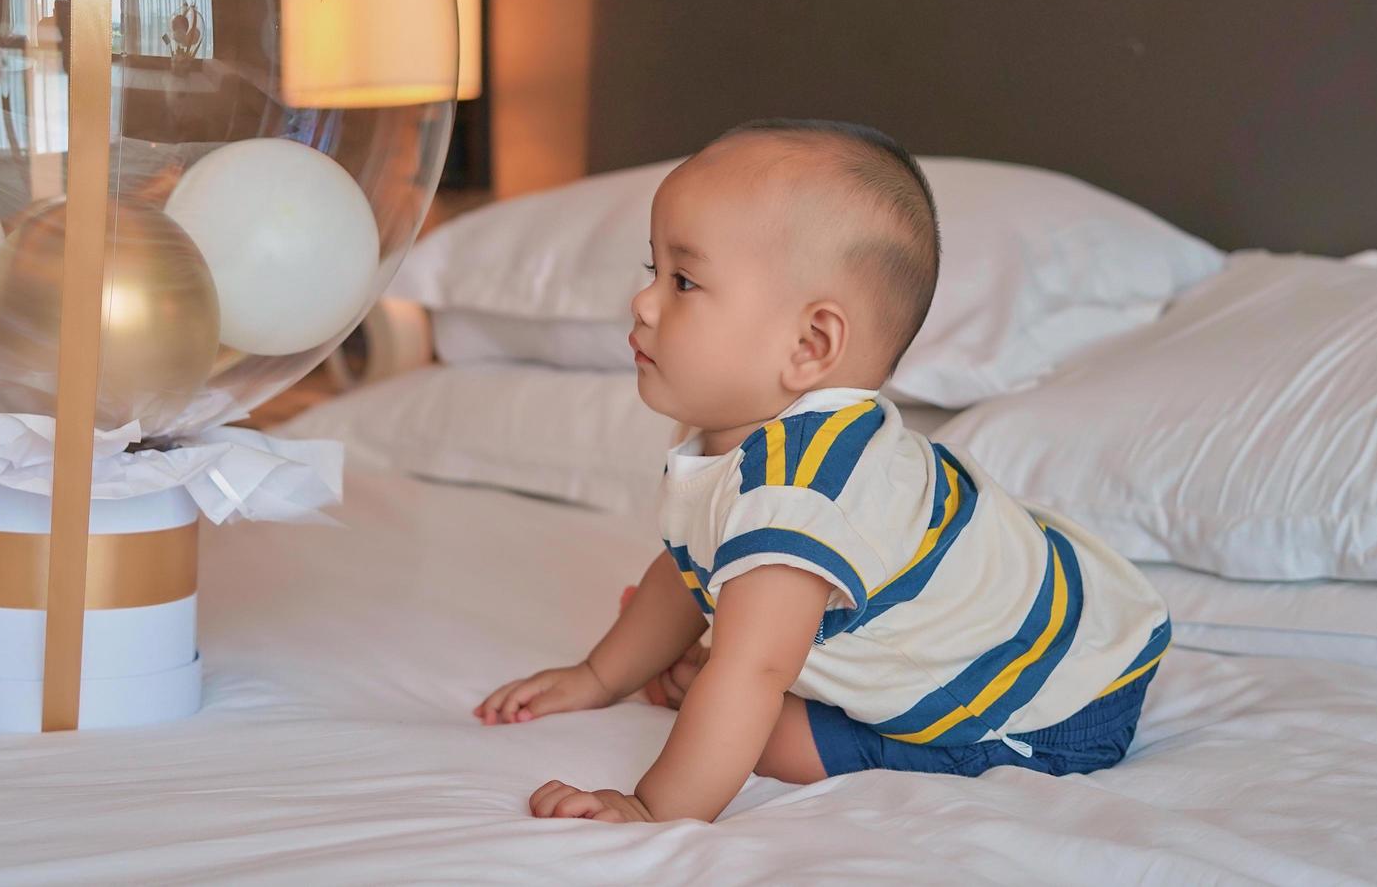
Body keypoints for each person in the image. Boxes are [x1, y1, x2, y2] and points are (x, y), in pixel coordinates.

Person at [474, 119, 1171, 823]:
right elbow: (691, 566)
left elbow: (752, 674)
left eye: (683, 280)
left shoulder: (796, 493)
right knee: (737, 661)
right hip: (1050, 620)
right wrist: (597, 677)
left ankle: (721, 693)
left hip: (1048, 706)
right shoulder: (746, 435)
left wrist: (651, 809)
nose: (643, 301)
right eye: (654, 270)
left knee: (763, 724)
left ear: (810, 344)